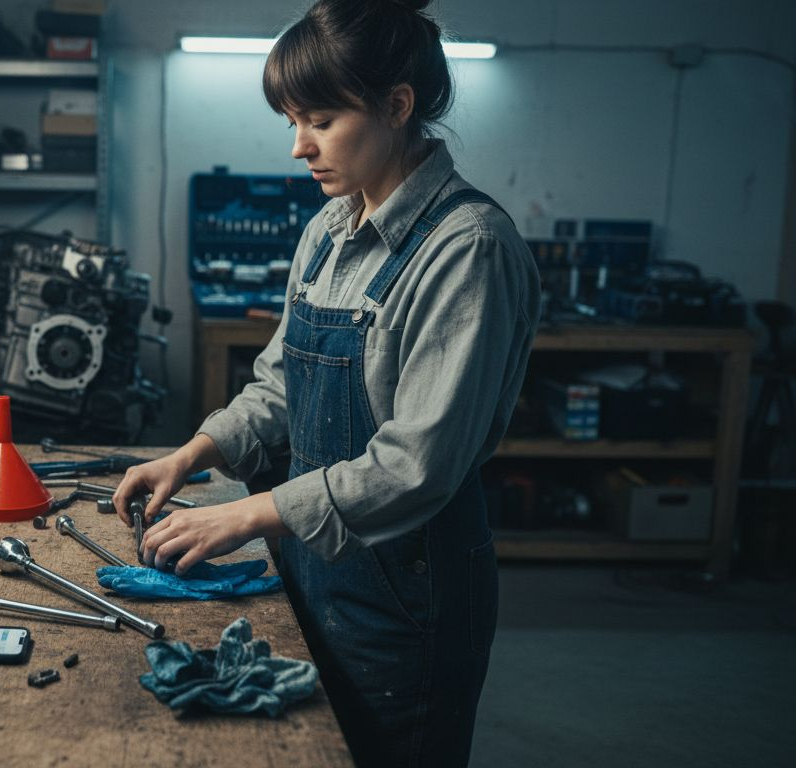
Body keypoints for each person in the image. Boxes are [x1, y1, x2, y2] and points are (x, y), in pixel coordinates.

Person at [112, 0, 540, 765]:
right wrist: (197, 450)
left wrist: (243, 516)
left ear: (396, 106)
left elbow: (418, 466)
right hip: (316, 566)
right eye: (291, 122)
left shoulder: (468, 249)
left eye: (319, 120)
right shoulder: (328, 227)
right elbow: (279, 381)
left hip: (410, 597)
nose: (298, 147)